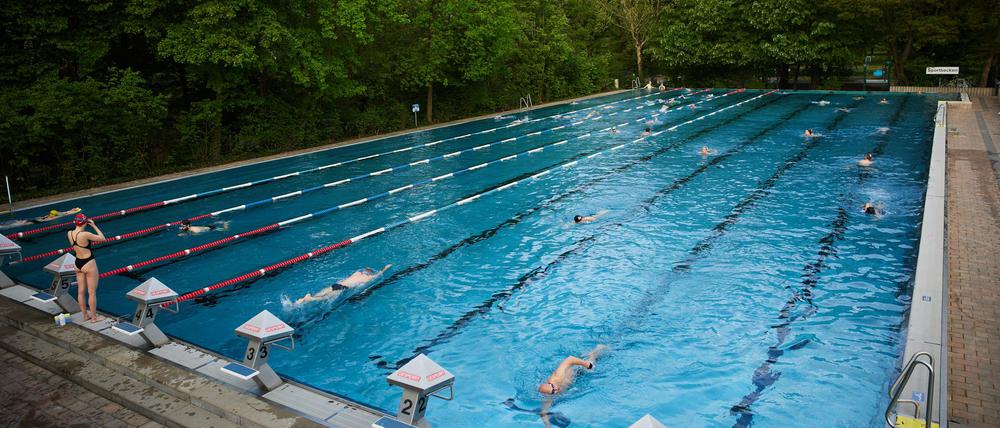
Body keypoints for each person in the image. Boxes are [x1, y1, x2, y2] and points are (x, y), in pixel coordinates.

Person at [67, 214, 106, 323]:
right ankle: (93, 318)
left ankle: (84, 316)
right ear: (85, 223)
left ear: (75, 222)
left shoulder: (69, 233)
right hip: (88, 263)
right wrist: (94, 226)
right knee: (92, 292)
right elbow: (103, 238)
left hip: (77, 263)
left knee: (80, 292)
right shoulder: (85, 234)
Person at [294, 264, 392, 305]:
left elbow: (364, 269)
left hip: (337, 284)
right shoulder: (368, 278)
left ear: (364, 271)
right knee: (325, 298)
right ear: (370, 273)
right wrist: (386, 267)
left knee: (321, 294)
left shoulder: (357, 273)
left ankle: (305, 299)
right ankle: (309, 299)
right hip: (343, 287)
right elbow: (379, 273)